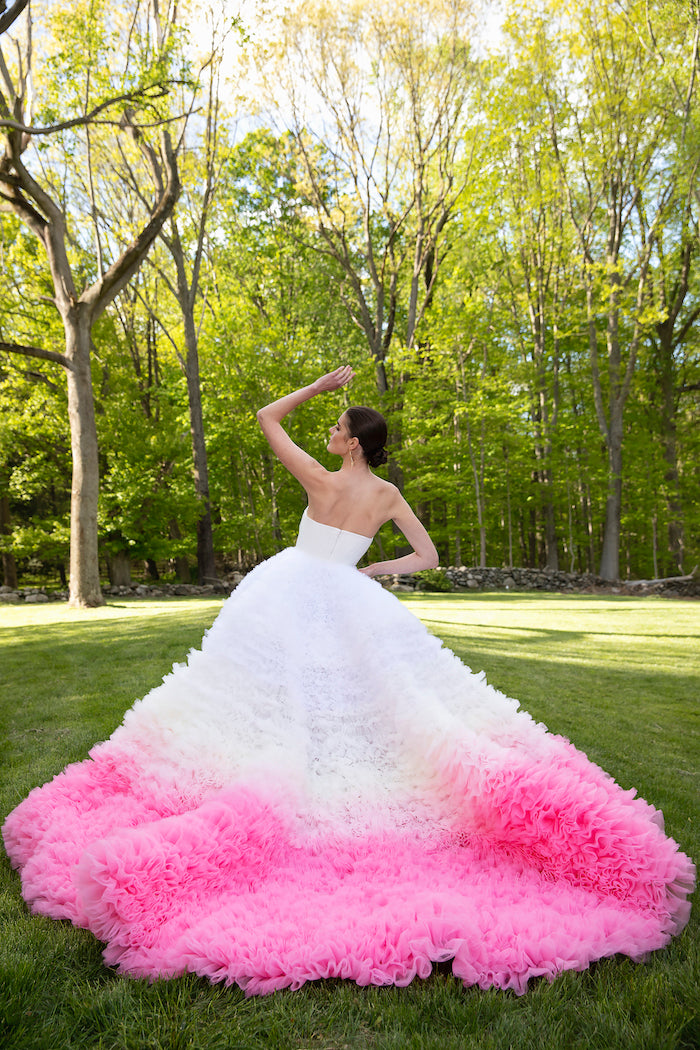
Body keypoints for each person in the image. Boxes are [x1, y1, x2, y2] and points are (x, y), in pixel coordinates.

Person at [3, 367, 694, 997]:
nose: (328, 433)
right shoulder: (385, 493)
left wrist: (310, 387)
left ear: (356, 442)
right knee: (363, 704)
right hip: (347, 594)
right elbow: (425, 554)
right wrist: (373, 574)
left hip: (291, 588)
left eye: (337, 427)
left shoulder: (323, 481)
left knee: (282, 700)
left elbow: (266, 416)